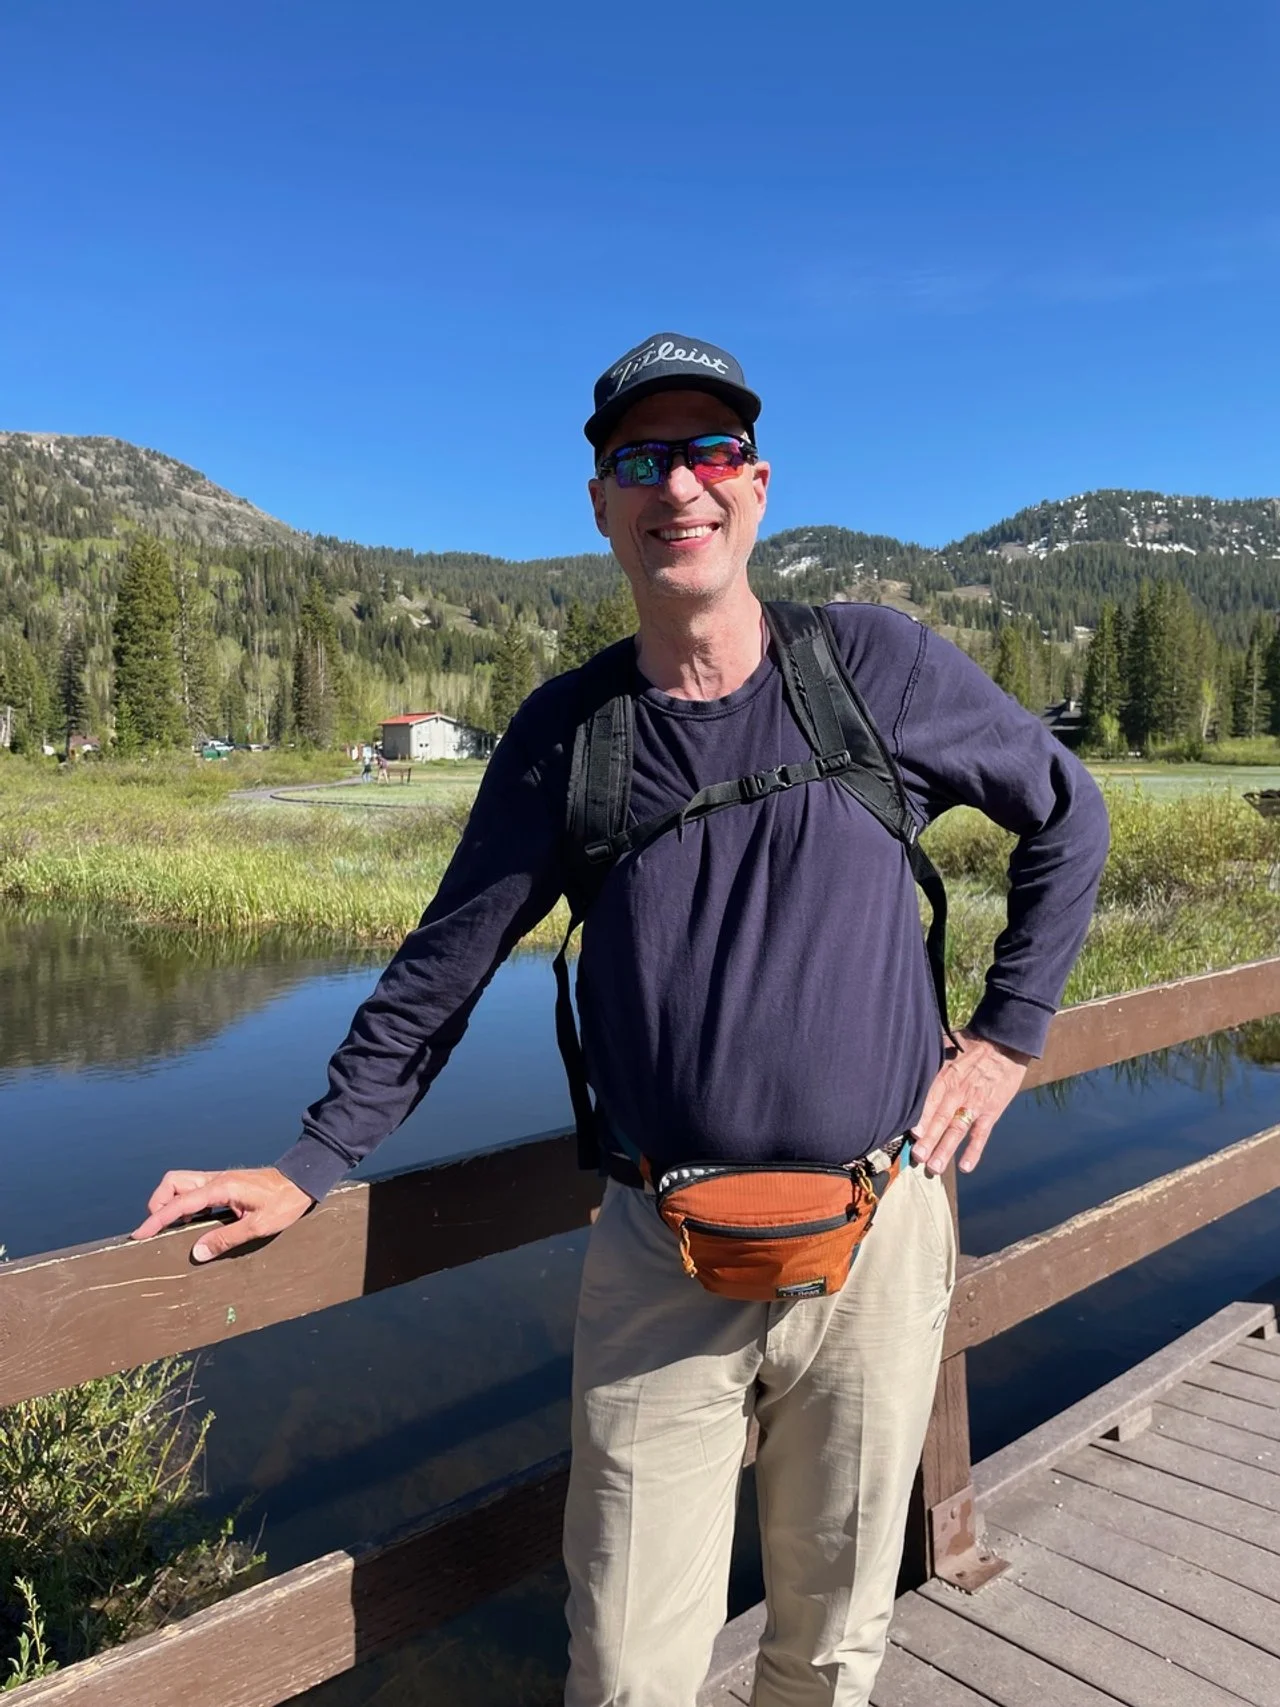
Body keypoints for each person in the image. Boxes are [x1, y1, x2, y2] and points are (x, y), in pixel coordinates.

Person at [131, 333, 1109, 1706]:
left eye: (711, 451)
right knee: (630, 1667)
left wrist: (1009, 1037)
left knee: (831, 1645)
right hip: (662, 1253)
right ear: (600, 502)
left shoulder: (871, 669)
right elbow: (440, 970)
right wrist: (307, 1163)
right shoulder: (567, 735)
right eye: (640, 457)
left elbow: (1070, 814)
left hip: (882, 1233)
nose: (680, 485)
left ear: (758, 487)